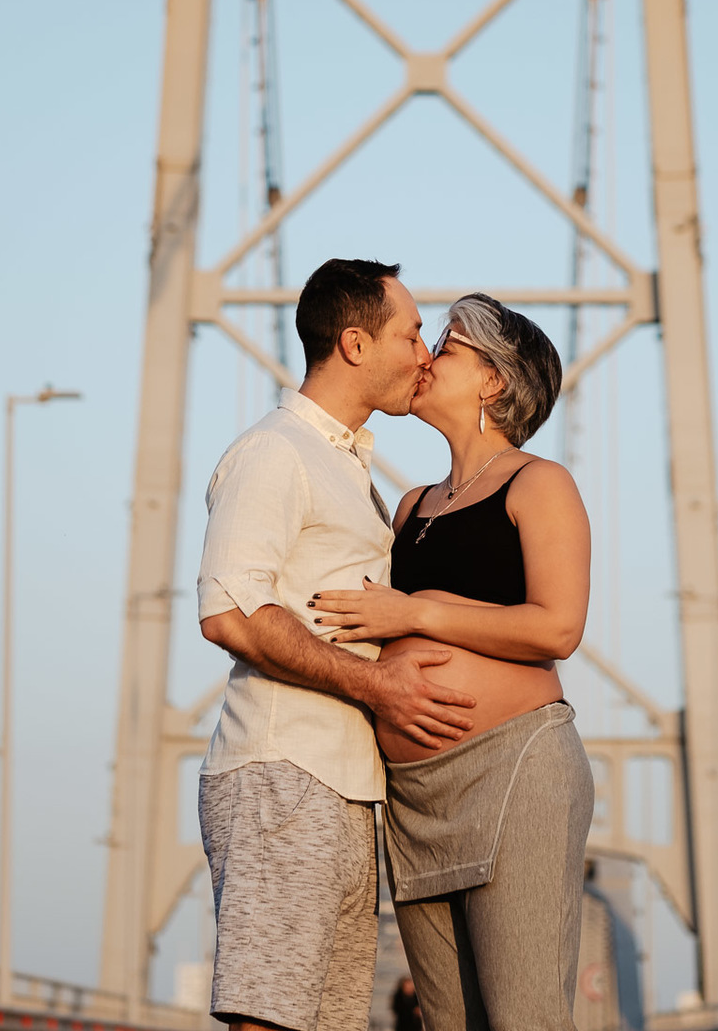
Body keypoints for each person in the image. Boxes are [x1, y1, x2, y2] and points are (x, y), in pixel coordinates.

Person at [196, 258, 478, 1031]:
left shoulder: (348, 467)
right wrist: (376, 685)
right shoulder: (274, 452)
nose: (426, 352)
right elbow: (231, 612)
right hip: (284, 776)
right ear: (355, 344)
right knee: (272, 1017)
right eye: (413, 332)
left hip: (350, 789)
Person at [310, 293, 594, 1031]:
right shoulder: (408, 508)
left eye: (451, 347)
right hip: (416, 795)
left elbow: (557, 628)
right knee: (448, 1025)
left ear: (494, 381)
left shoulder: (540, 483)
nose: (429, 358)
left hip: (515, 773)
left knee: (524, 1018)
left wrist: (417, 610)